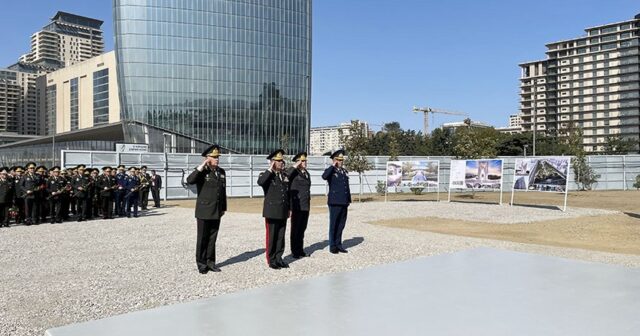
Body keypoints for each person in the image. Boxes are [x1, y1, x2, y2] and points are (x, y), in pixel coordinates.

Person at [186, 144, 227, 274]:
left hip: (217, 210)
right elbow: (190, 180)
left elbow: (222, 191)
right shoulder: (201, 171)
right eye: (214, 157)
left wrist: (223, 208)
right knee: (202, 238)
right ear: (207, 158)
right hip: (204, 211)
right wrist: (202, 166)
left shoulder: (221, 172)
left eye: (217, 157)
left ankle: (211, 262)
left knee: (212, 238)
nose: (217, 159)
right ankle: (201, 264)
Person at [257, 149, 290, 270]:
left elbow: (288, 194)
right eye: (278, 161)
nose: (281, 162)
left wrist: (289, 208)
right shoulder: (266, 175)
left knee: (281, 236)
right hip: (272, 211)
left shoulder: (284, 175)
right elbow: (260, 182)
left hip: (283, 210)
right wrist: (270, 169)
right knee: (272, 236)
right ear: (272, 162)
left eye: (282, 160)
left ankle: (279, 258)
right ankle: (271, 260)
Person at [322, 150, 352, 254]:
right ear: (334, 160)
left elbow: (346, 187)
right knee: (333, 225)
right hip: (335, 202)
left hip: (343, 202)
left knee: (341, 225)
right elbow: (324, 176)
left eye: (342, 160)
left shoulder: (343, 171)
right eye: (339, 160)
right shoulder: (331, 171)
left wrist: (348, 199)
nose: (341, 162)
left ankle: (339, 244)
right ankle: (332, 246)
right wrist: (332, 166)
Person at [288, 152, 311, 258]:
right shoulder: (294, 173)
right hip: (296, 206)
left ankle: (300, 250)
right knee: (295, 230)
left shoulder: (306, 173)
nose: (305, 162)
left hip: (305, 205)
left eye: (305, 160)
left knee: (302, 229)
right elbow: (286, 175)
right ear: (297, 162)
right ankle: (295, 251)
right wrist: (295, 166)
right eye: (302, 161)